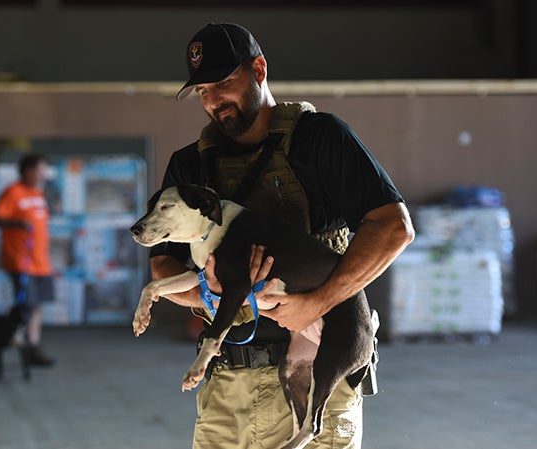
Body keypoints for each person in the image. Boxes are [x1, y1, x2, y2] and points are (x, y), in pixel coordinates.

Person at [149, 22, 415, 449]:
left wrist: (317, 303)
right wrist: (213, 294)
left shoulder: (320, 138)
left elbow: (393, 227)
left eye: (223, 82)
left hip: (313, 387)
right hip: (227, 391)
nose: (214, 100)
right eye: (202, 90)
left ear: (258, 69)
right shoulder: (190, 166)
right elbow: (163, 264)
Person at [0, 153, 56, 367]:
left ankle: (32, 346)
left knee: (36, 306)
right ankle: (3, 342)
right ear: (27, 171)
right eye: (40, 170)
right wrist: (18, 224)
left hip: (41, 262)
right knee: (25, 306)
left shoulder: (39, 193)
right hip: (21, 261)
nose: (43, 174)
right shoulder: (13, 192)